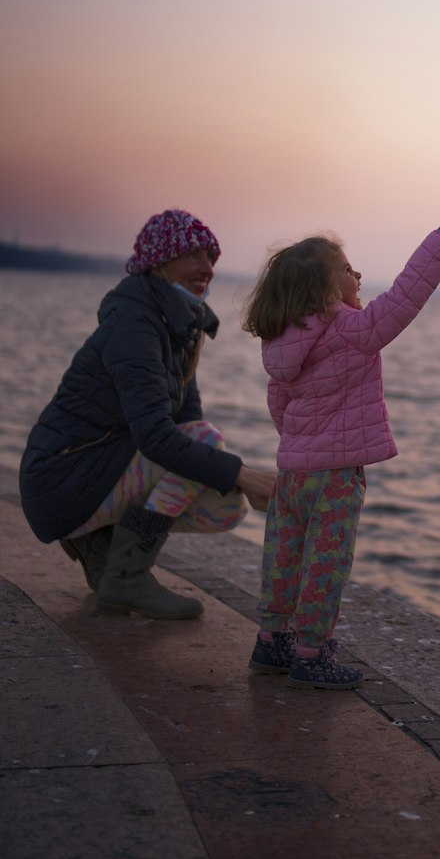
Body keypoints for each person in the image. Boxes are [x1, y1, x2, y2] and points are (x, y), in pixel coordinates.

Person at [242, 203, 440, 691]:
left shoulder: (282, 344)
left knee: (283, 557)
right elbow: (403, 300)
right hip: (336, 477)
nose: (358, 274)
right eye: (347, 269)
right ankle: (310, 655)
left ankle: (271, 640)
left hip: (293, 474)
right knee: (326, 564)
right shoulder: (351, 329)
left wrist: (300, 444)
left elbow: (277, 401)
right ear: (324, 288)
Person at [19, 209, 276, 620]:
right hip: (60, 480)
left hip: (85, 472)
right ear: (159, 260)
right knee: (210, 452)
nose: (207, 268)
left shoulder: (178, 326)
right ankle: (127, 574)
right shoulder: (136, 325)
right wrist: (244, 473)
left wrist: (236, 479)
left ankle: (104, 554)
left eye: (211, 257)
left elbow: (184, 423)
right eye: (194, 255)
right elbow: (159, 436)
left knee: (225, 502)